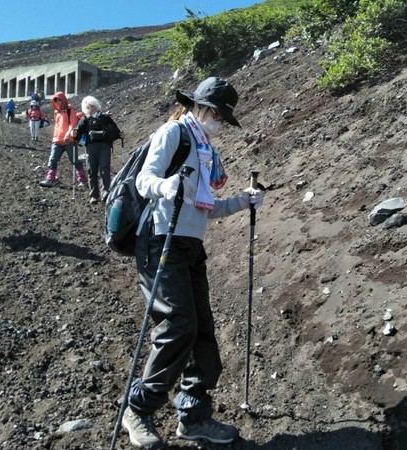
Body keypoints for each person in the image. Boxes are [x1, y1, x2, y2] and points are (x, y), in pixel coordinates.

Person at [122, 77, 264, 449]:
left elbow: (205, 209)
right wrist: (164, 187)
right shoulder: (174, 133)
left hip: (190, 245)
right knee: (179, 325)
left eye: (223, 115)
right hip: (159, 239)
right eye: (215, 112)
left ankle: (194, 417)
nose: (218, 119)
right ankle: (138, 407)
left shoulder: (204, 149)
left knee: (201, 330)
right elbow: (144, 180)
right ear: (197, 106)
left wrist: (242, 201)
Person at [72, 95, 121, 204]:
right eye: (87, 105)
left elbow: (116, 131)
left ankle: (105, 192)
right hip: (92, 147)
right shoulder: (84, 119)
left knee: (104, 169)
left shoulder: (104, 117)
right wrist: (74, 135)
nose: (89, 107)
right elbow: (77, 134)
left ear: (95, 105)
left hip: (103, 146)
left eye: (91, 104)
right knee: (91, 170)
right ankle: (95, 195)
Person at [39, 91, 87, 187]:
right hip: (57, 140)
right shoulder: (56, 112)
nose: (58, 102)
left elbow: (72, 124)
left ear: (64, 99)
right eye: (56, 100)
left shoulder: (70, 110)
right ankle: (50, 179)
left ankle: (83, 179)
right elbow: (57, 125)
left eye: (60, 100)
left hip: (68, 140)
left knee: (74, 160)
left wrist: (67, 135)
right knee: (53, 159)